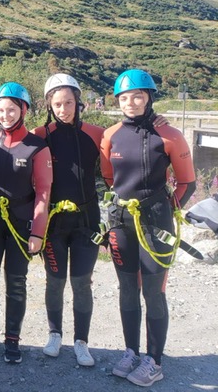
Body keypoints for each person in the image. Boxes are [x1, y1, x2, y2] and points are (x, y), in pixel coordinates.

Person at [0, 74, 102, 366]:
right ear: (49, 105)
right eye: (57, 104)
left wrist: (156, 121)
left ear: (78, 102)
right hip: (53, 224)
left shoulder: (98, 133)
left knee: (82, 282)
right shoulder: (39, 134)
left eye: (69, 103)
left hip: (86, 220)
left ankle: (81, 342)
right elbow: (5, 139)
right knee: (54, 280)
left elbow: (111, 171)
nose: (63, 109)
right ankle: (54, 334)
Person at [100, 69, 196, 387]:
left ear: (149, 97)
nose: (131, 102)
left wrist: (165, 207)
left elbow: (187, 182)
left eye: (138, 96)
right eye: (124, 97)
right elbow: (110, 178)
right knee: (128, 289)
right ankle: (131, 352)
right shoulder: (110, 135)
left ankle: (154, 360)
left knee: (154, 292)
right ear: (118, 101)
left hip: (156, 221)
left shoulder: (169, 135)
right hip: (121, 220)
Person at [0, 82, 52, 364]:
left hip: (21, 222)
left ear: (24, 110)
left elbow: (43, 192)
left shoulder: (37, 147)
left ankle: (13, 339)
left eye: (12, 109)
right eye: (1, 110)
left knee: (16, 281)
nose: (5, 115)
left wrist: (38, 232)